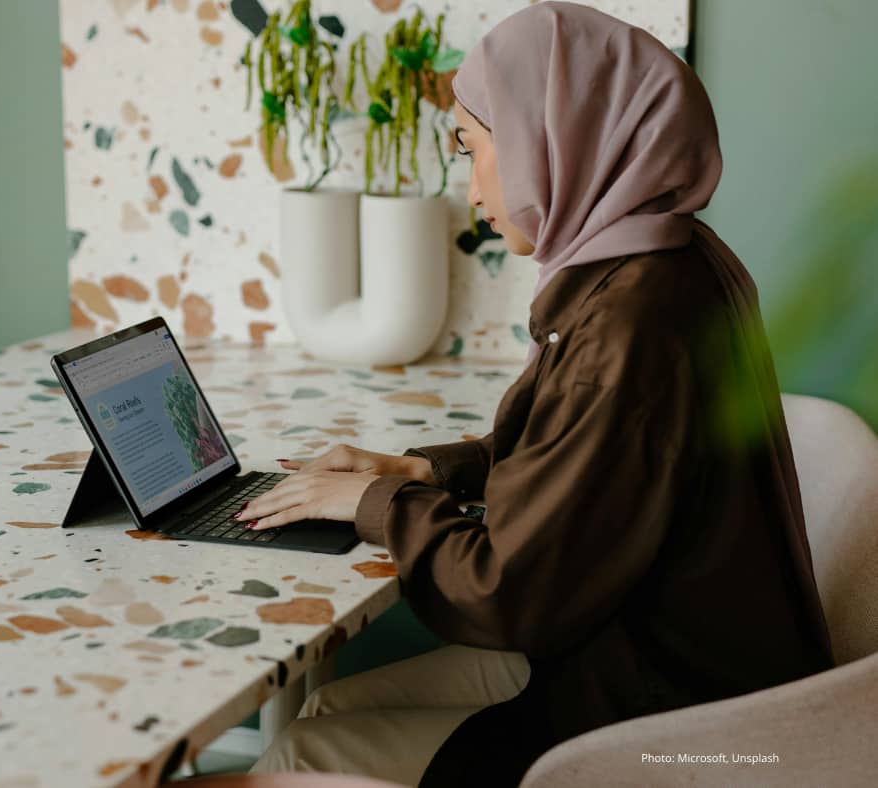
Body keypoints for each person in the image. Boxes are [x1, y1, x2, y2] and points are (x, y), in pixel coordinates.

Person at [233, 3, 834, 786]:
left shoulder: (630, 322)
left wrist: (378, 503)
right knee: (326, 711)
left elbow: (503, 592)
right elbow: (589, 457)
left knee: (297, 751)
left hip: (668, 722)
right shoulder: (669, 262)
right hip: (658, 653)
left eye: (472, 145)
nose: (469, 179)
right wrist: (424, 473)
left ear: (553, 140)